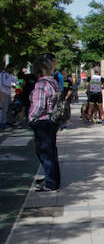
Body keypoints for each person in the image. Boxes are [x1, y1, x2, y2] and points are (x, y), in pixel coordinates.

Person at [28, 54, 62, 192]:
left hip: (42, 121)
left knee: (44, 152)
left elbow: (39, 105)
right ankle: (52, 178)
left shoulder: (41, 84)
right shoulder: (53, 82)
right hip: (52, 120)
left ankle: (51, 183)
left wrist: (31, 117)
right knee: (51, 151)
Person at [1, 64, 18, 129]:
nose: (12, 70)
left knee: (8, 108)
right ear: (8, 68)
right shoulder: (3, 74)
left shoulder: (10, 75)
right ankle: (2, 122)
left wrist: (19, 83)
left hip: (8, 93)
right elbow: (4, 83)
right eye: (11, 69)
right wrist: (12, 85)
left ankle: (8, 121)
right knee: (4, 108)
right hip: (3, 93)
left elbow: (15, 80)